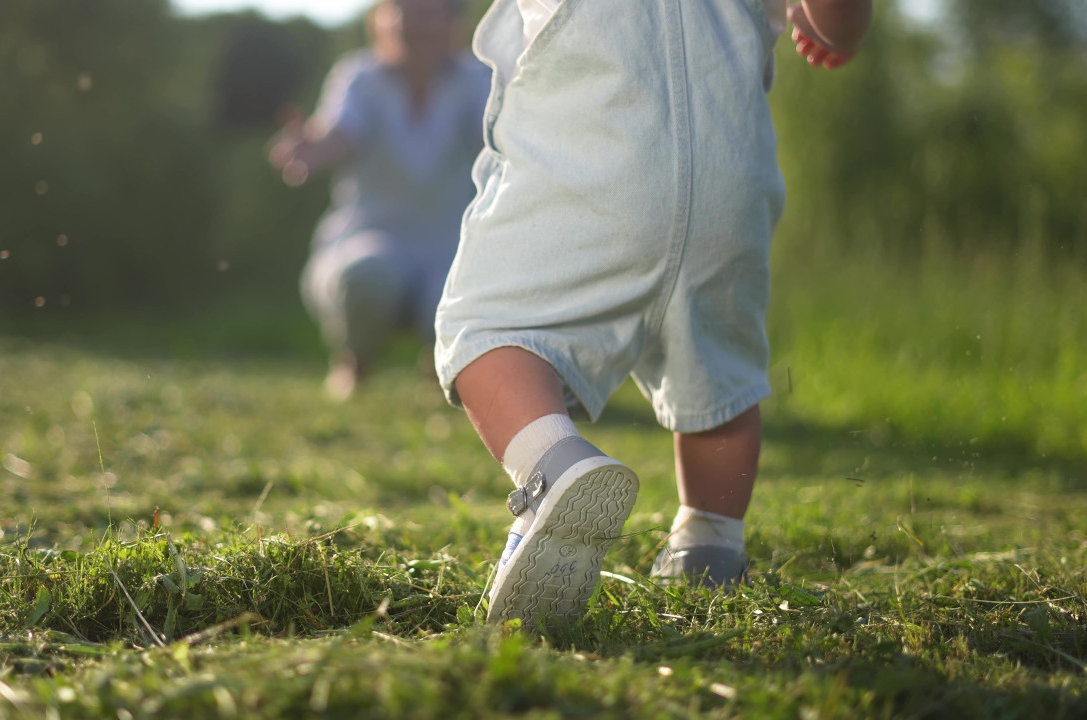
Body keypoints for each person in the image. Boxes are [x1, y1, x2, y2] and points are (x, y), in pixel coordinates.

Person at [433, 0, 874, 625]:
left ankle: (553, 464)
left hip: (592, 157)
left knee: (482, 329)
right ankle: (711, 547)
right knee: (716, 378)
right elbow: (837, 18)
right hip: (728, 185)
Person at [268, 0, 490, 399]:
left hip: (451, 246)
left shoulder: (479, 79)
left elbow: (496, 141)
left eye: (428, 11)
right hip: (371, 236)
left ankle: (441, 362)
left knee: (466, 293)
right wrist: (312, 147)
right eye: (402, 8)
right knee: (363, 275)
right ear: (381, 20)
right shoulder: (359, 76)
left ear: (453, 22)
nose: (412, 21)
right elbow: (340, 132)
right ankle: (354, 361)